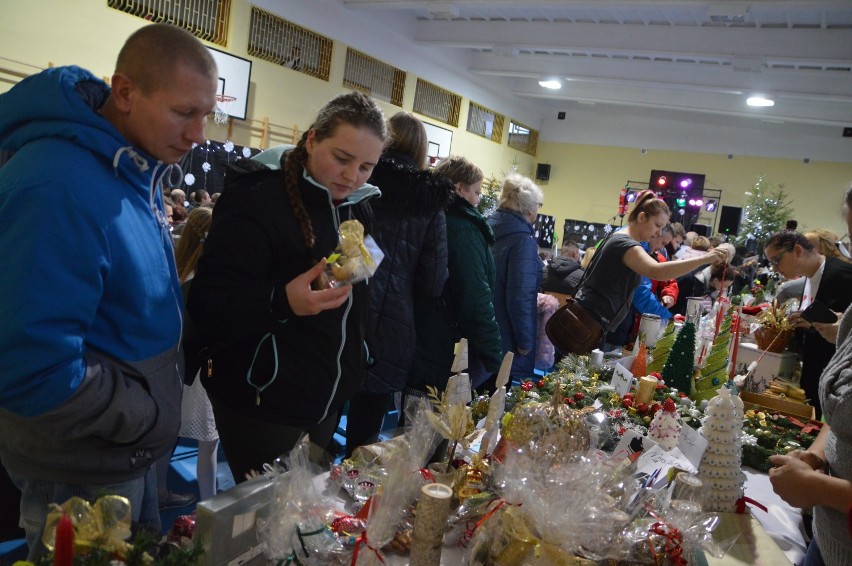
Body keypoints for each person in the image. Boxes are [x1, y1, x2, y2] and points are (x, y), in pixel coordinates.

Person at [0, 23, 218, 558]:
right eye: (183, 112)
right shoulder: (58, 184)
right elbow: (31, 368)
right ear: (124, 93)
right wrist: (141, 413)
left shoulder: (128, 169)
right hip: (81, 469)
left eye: (206, 113)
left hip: (123, 454)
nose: (199, 133)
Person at [187, 92, 387, 482]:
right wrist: (282, 300)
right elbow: (209, 303)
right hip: (263, 398)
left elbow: (364, 271)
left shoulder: (358, 202)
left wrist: (360, 265)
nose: (352, 176)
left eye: (367, 166)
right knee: (265, 525)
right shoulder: (257, 197)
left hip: (328, 396)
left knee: (303, 519)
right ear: (311, 140)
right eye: (342, 159)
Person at [345, 112, 454, 457]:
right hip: (392, 322)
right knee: (364, 435)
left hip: (341, 300)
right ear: (423, 149)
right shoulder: (429, 199)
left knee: (321, 414)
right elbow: (433, 280)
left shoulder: (358, 177)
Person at [769, 186, 852, 566]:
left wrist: (819, 486)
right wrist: (816, 459)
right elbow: (839, 416)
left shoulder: (840, 277)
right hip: (829, 534)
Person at [576, 191, 726, 344]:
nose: (658, 233)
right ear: (642, 218)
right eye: (657, 225)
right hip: (589, 324)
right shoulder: (624, 243)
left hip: (595, 323)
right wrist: (704, 259)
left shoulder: (625, 241)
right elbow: (658, 272)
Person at [407, 156, 503, 395]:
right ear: (460, 188)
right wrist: (493, 357)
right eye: (476, 193)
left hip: (417, 341)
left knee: (413, 422)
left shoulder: (420, 213)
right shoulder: (463, 229)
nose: (477, 200)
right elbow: (474, 297)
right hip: (446, 349)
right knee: (440, 426)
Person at [763, 229, 852, 419]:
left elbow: (842, 328)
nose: (775, 269)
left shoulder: (842, 275)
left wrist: (819, 325)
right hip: (814, 377)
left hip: (836, 386)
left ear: (797, 250)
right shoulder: (811, 276)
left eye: (776, 260)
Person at [174, 206, 220, 502]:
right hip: (203, 370)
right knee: (209, 441)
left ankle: (160, 491)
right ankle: (210, 503)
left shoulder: (175, 273)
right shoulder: (205, 281)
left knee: (165, 438)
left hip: (172, 369)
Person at [489, 174, 545, 381]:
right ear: (530, 209)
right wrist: (526, 343)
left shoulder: (488, 229)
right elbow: (521, 296)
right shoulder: (523, 242)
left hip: (485, 330)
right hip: (507, 338)